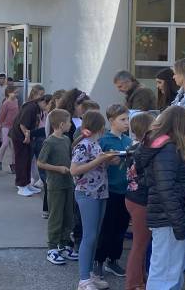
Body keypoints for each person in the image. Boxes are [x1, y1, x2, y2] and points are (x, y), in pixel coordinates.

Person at [134, 106, 185, 290]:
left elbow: (169, 182)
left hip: (166, 218)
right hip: (168, 220)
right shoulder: (168, 149)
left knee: (169, 272)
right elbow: (166, 189)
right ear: (179, 124)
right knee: (166, 275)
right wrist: (179, 223)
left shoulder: (162, 146)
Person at [71, 110, 119, 290]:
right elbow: (74, 170)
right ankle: (83, 279)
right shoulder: (83, 145)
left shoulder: (95, 143)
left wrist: (107, 160)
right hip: (87, 193)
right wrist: (99, 160)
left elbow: (95, 165)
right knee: (89, 236)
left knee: (95, 235)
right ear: (99, 127)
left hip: (99, 192)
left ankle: (89, 273)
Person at [95, 104, 133, 279]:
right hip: (109, 190)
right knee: (107, 227)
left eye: (127, 119)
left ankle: (113, 260)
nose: (127, 123)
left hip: (126, 190)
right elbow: (94, 164)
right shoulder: (104, 141)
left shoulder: (128, 141)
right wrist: (106, 161)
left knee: (121, 227)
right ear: (111, 121)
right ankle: (99, 261)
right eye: (123, 119)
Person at [37, 108, 78, 266]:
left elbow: (70, 157)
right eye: (68, 122)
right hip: (55, 185)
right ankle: (52, 248)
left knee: (68, 215)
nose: (70, 124)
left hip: (68, 183)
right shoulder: (49, 141)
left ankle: (65, 244)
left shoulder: (67, 140)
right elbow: (40, 162)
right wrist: (58, 168)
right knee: (56, 216)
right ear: (61, 124)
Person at [124, 112, 156, 290]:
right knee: (139, 245)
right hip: (141, 201)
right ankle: (133, 283)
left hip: (132, 197)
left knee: (141, 243)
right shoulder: (144, 150)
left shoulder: (132, 146)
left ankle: (140, 280)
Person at [10, 96, 49, 197]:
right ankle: (21, 185)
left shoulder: (36, 108)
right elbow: (22, 125)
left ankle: (27, 183)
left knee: (27, 160)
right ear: (43, 102)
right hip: (20, 137)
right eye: (48, 104)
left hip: (27, 137)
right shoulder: (31, 108)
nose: (48, 107)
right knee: (22, 160)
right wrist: (27, 137)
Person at [0, 85, 19, 172]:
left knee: (13, 146)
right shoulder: (6, 103)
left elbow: (17, 113)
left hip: (14, 127)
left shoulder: (16, 101)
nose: (16, 94)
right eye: (15, 92)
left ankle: (13, 164)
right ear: (9, 93)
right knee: (5, 143)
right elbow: (1, 116)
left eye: (17, 93)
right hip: (6, 126)